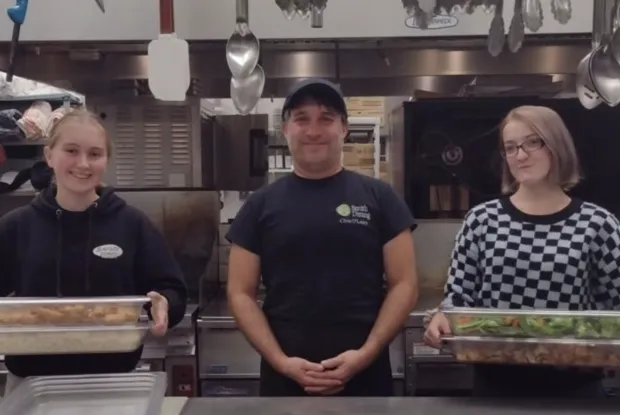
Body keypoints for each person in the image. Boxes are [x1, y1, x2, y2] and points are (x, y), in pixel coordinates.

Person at [226, 78, 419, 396]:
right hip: (284, 380)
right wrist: (281, 362)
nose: (313, 131)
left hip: (365, 379)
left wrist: (366, 354)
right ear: (285, 129)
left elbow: (405, 284)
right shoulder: (259, 206)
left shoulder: (381, 198)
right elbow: (240, 293)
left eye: (326, 118)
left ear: (344, 128)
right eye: (301, 119)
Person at [424, 105, 620, 397]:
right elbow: (458, 298)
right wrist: (442, 318)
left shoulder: (597, 223)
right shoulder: (482, 220)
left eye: (533, 142)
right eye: (511, 147)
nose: (521, 155)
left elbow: (615, 305)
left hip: (576, 389)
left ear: (557, 145)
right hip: (494, 387)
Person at [0, 109, 187, 392]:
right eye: (71, 151)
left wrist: (165, 305)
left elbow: (172, 289)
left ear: (106, 161)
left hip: (114, 384)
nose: (83, 164)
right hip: (31, 385)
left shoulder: (131, 224)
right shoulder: (17, 226)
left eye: (95, 154)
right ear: (50, 156)